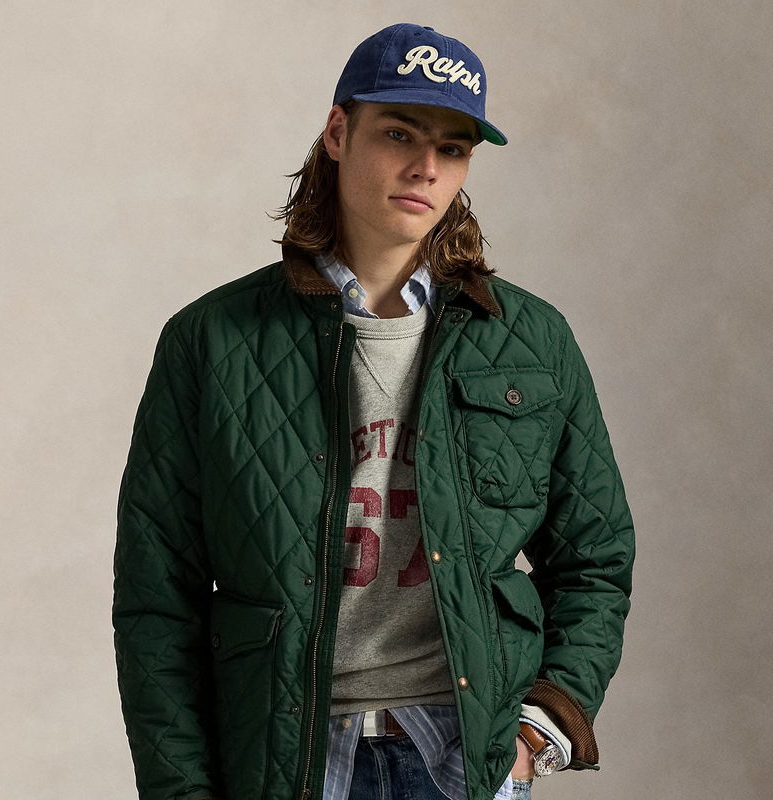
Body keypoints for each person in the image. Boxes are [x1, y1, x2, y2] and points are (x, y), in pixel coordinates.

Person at [113, 22, 635, 800]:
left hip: (463, 758)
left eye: (453, 147)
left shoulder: (532, 341)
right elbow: (157, 599)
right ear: (337, 132)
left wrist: (536, 730)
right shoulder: (212, 341)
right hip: (284, 760)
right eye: (399, 133)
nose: (426, 167)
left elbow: (595, 558)